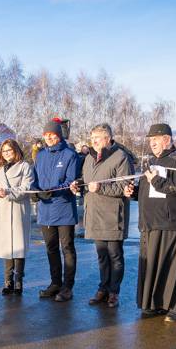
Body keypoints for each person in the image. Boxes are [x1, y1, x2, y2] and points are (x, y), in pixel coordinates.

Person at [124, 123, 176, 321]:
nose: (152, 144)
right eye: (150, 141)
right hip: (150, 224)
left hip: (171, 223)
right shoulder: (153, 162)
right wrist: (134, 193)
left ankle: (175, 308)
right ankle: (154, 303)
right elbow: (150, 192)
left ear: (167, 139)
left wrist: (156, 181)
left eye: (155, 140)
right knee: (152, 266)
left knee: (173, 267)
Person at [73, 124, 133, 308]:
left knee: (115, 255)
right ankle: (103, 288)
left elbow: (125, 187)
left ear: (108, 139)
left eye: (96, 138)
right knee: (101, 256)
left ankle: (114, 292)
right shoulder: (89, 158)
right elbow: (87, 181)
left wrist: (101, 188)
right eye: (92, 139)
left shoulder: (121, 157)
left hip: (113, 215)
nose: (93, 142)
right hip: (94, 214)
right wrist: (78, 185)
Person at [32, 118, 79, 302]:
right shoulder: (41, 155)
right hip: (45, 210)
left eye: (52, 134)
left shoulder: (70, 155)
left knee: (67, 248)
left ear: (59, 135)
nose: (49, 138)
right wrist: (35, 192)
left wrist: (55, 190)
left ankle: (67, 286)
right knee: (51, 248)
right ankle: (55, 283)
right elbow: (34, 178)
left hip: (63, 208)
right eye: (46, 135)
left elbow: (71, 180)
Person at [0, 139, 34, 295]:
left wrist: (9, 192)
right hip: (2, 210)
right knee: (6, 247)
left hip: (18, 209)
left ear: (16, 150)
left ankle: (18, 281)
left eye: (9, 150)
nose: (7, 153)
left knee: (18, 247)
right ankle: (7, 281)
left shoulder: (24, 167)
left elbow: (26, 188)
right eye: (4, 151)